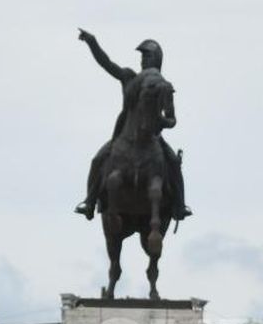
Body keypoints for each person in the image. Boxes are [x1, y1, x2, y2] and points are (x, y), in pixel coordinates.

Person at [75, 28, 190, 221]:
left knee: (174, 164)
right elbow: (107, 64)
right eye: (143, 57)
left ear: (157, 59)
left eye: (148, 56)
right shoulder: (129, 77)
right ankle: (90, 202)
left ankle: (179, 206)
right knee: (97, 161)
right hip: (123, 136)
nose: (143, 60)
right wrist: (92, 42)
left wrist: (161, 121)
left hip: (153, 138)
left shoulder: (162, 87)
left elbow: (172, 119)